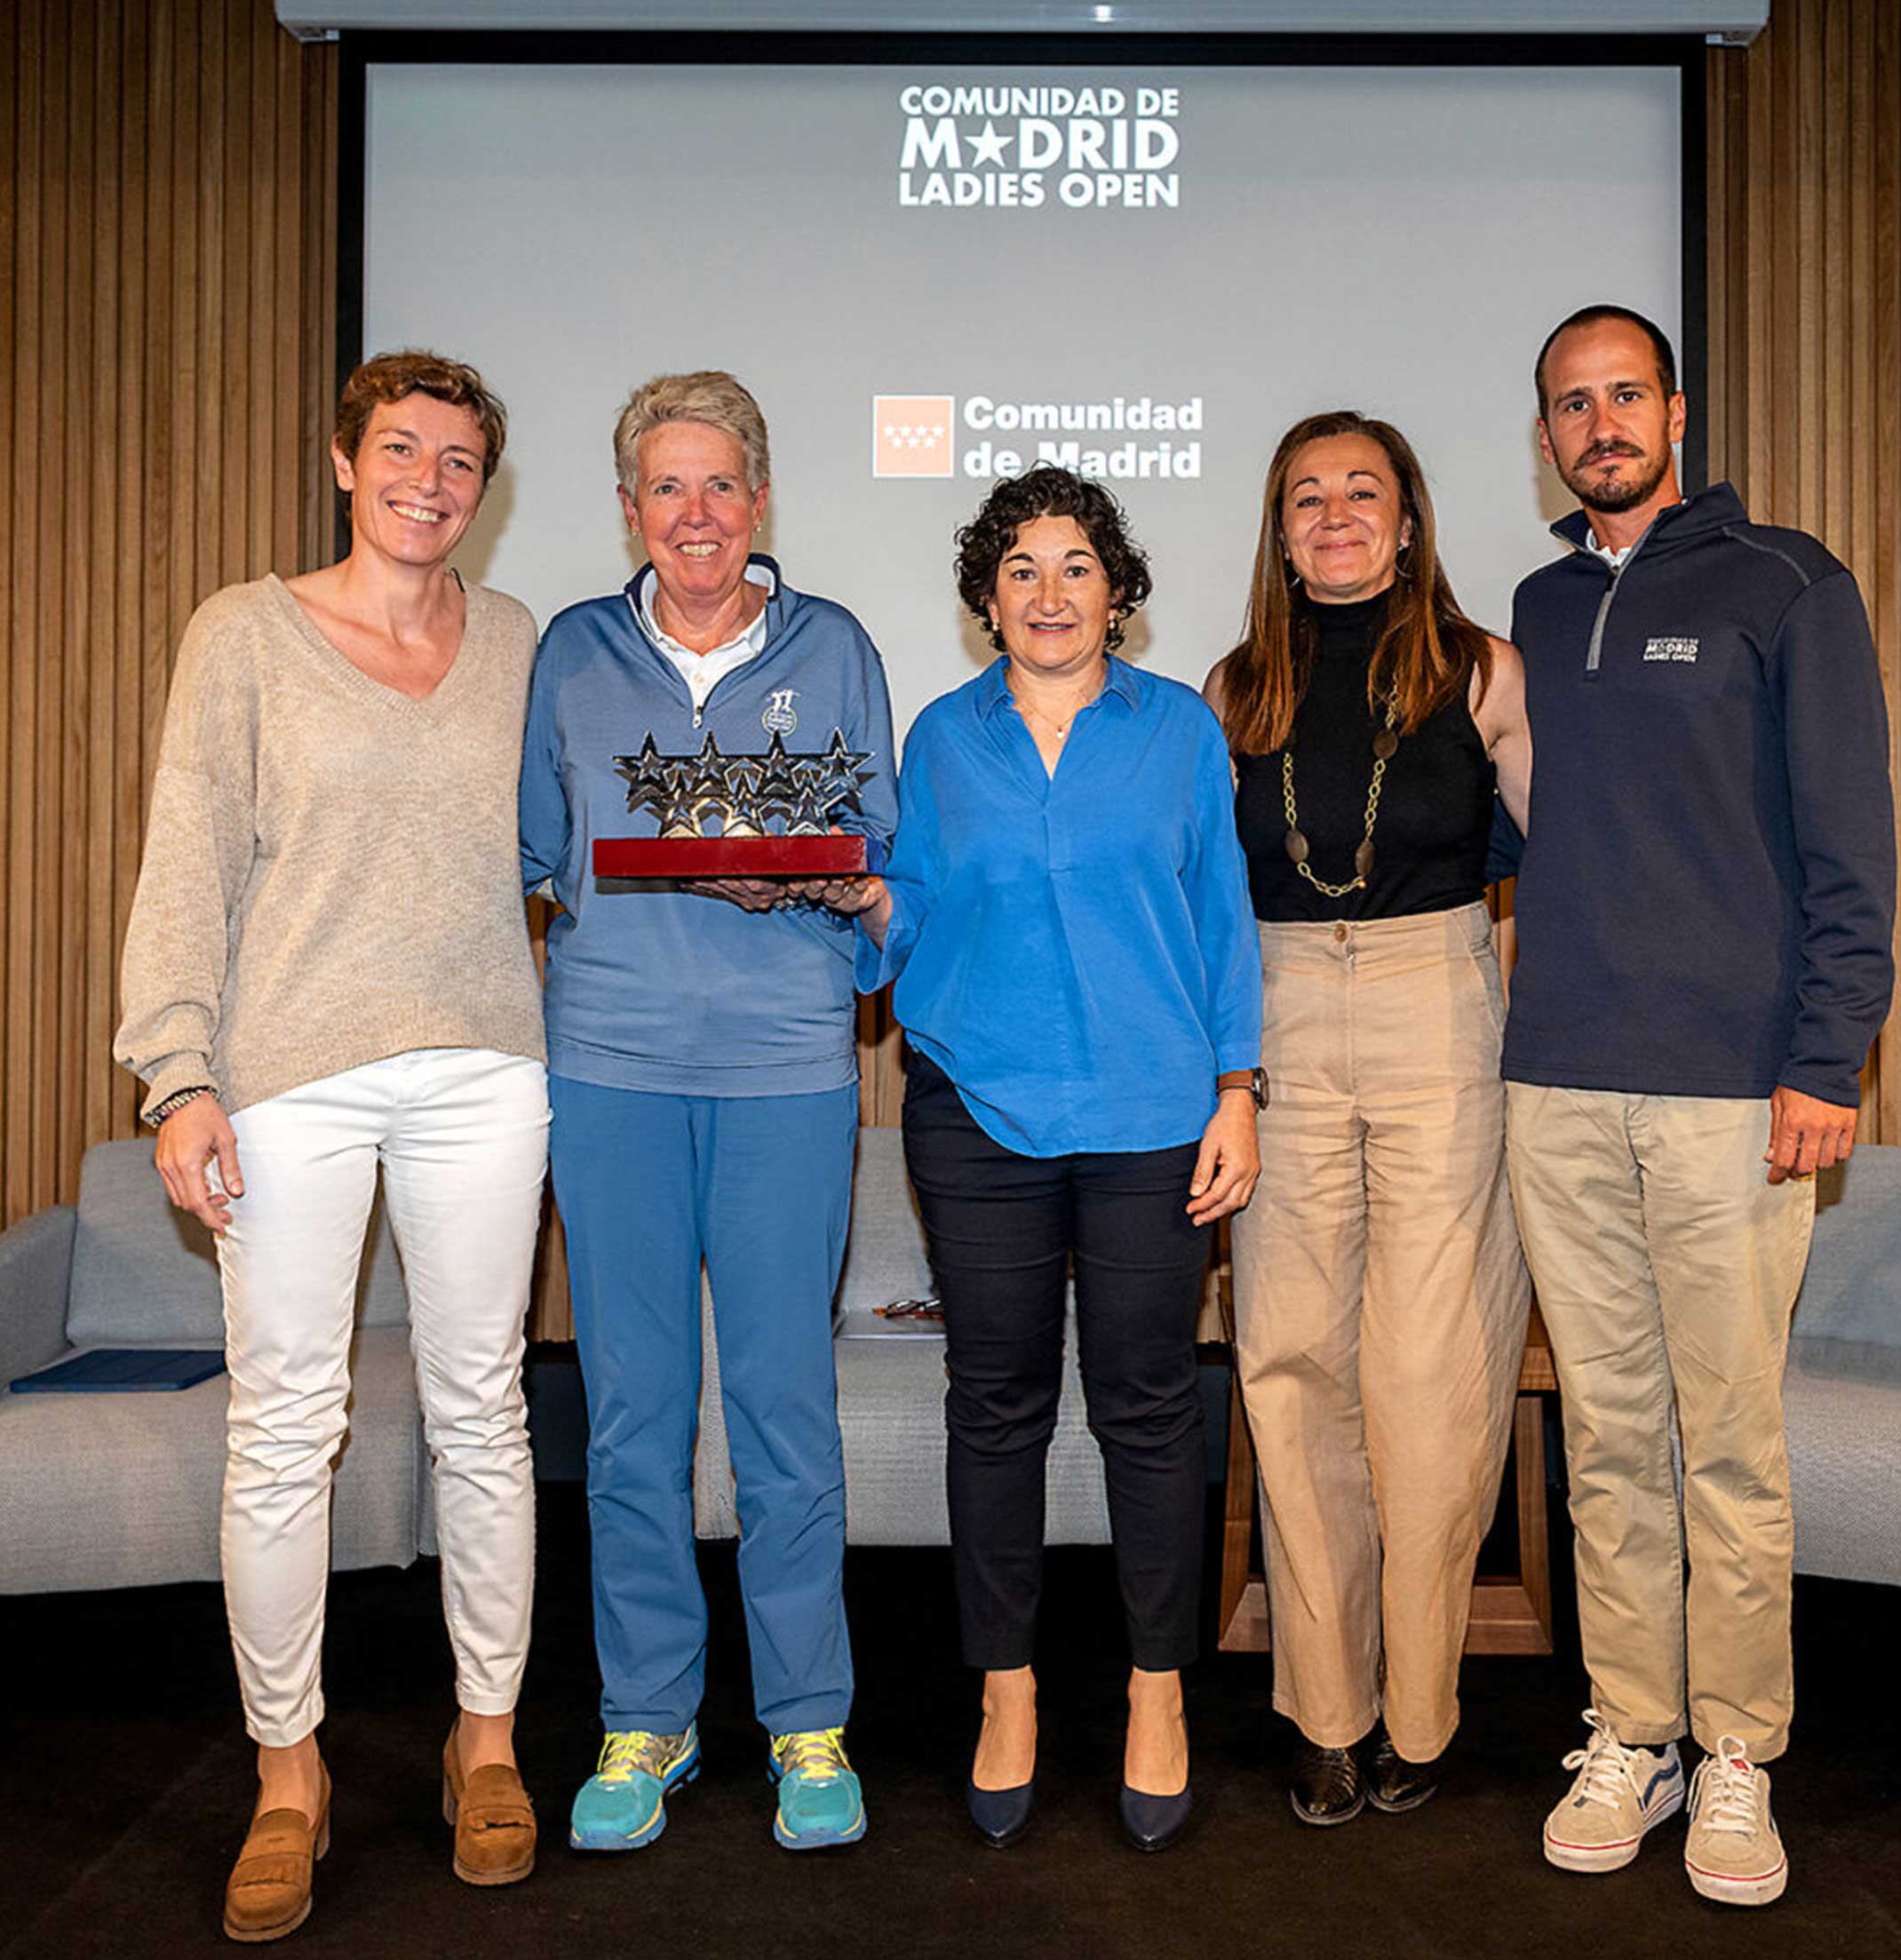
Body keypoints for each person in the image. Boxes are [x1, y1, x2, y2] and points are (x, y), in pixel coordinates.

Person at [115, 348, 551, 1941]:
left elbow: (575, 837)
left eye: (457, 461)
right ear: (342, 459)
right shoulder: (242, 633)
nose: (427, 481)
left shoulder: (517, 643)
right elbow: (185, 859)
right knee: (286, 1426)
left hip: (487, 1070)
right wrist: (176, 1076)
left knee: (482, 1411)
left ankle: (483, 1741)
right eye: (399, 450)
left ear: (483, 488)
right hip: (287, 1075)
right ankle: (286, 1776)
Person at [1504, 305, 1897, 1907]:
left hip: (1739, 1093)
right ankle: (1632, 1733)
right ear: (1545, 436)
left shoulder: (1787, 585)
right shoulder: (1531, 606)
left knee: (1729, 1440)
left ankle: (1738, 1755)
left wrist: (1828, 1060)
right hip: (1559, 1085)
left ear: (1677, 408)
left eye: (1622, 395)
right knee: (1606, 1437)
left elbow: (1849, 847)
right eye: (1568, 406)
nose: (1599, 424)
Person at [819, 467, 1260, 1854]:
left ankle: (1154, 1691)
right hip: (979, 1112)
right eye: (1021, 569)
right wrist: (857, 897)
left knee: (1147, 1408)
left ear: (1114, 590)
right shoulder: (940, 741)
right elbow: (909, 919)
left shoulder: (1181, 729)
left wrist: (1237, 1091)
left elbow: (1224, 923)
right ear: (985, 598)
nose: (1050, 593)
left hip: (1152, 1118)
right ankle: (1005, 1692)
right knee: (994, 1405)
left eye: (1076, 566)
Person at [519, 370, 896, 1858]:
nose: (695, 514)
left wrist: (844, 880)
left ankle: (808, 1720)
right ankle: (647, 1716)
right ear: (629, 510)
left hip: (789, 1073)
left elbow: (881, 862)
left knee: (787, 1418)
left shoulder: (837, 647)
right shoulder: (569, 654)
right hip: (607, 1073)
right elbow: (538, 866)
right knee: (631, 1421)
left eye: (720, 486)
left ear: (761, 502)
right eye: (666, 488)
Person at [1205, 410, 1534, 1829]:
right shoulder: (1230, 689)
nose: (1335, 516)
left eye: (1363, 493)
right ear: (1279, 531)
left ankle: (1423, 1704)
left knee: (1428, 1368)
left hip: (1435, 1004)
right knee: (1289, 1360)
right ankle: (1328, 1713)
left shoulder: (1485, 671)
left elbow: (1571, 864)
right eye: (1306, 498)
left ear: (1408, 522)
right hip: (1277, 1016)